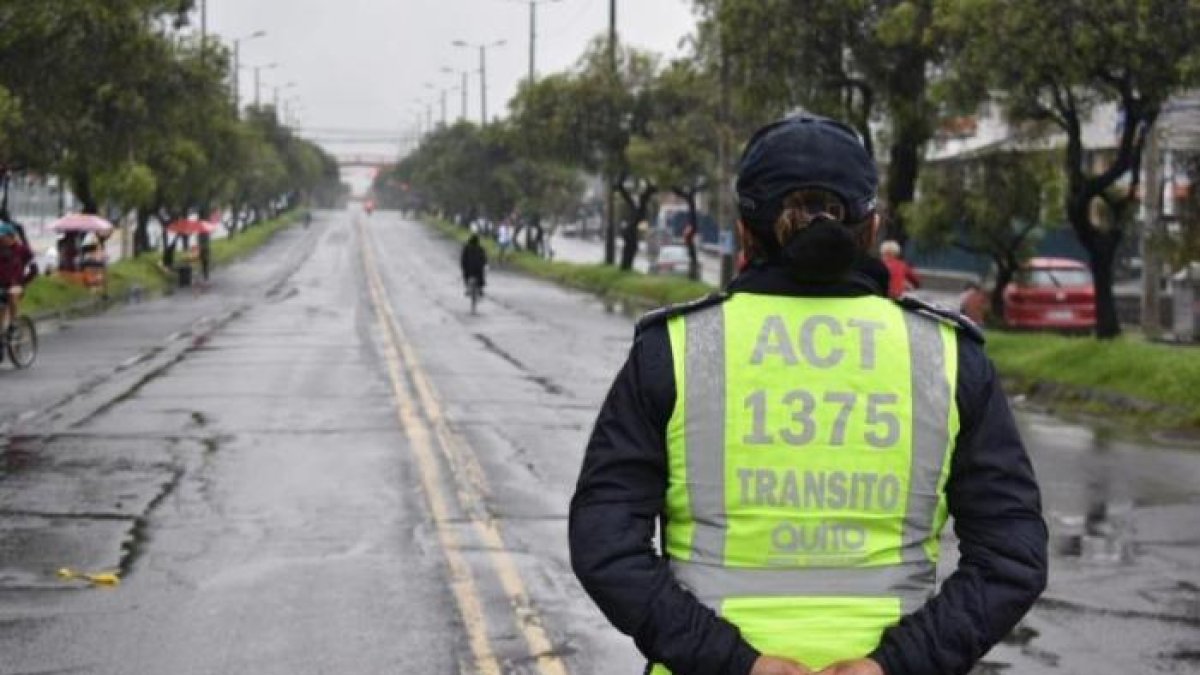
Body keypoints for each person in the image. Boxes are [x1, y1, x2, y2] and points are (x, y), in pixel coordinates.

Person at [569, 115, 1047, 675]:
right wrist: (893, 665)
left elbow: (605, 544)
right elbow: (1012, 558)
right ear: (871, 226)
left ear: (746, 231)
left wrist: (734, 663)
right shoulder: (945, 357)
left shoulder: (675, 350)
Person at [0, 222, 35, 333]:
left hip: (17, 285)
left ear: (10, 236)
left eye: (3, 237)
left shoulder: (22, 250)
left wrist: (23, 282)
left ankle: (14, 323)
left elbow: (34, 268)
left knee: (12, 293)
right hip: (1, 285)